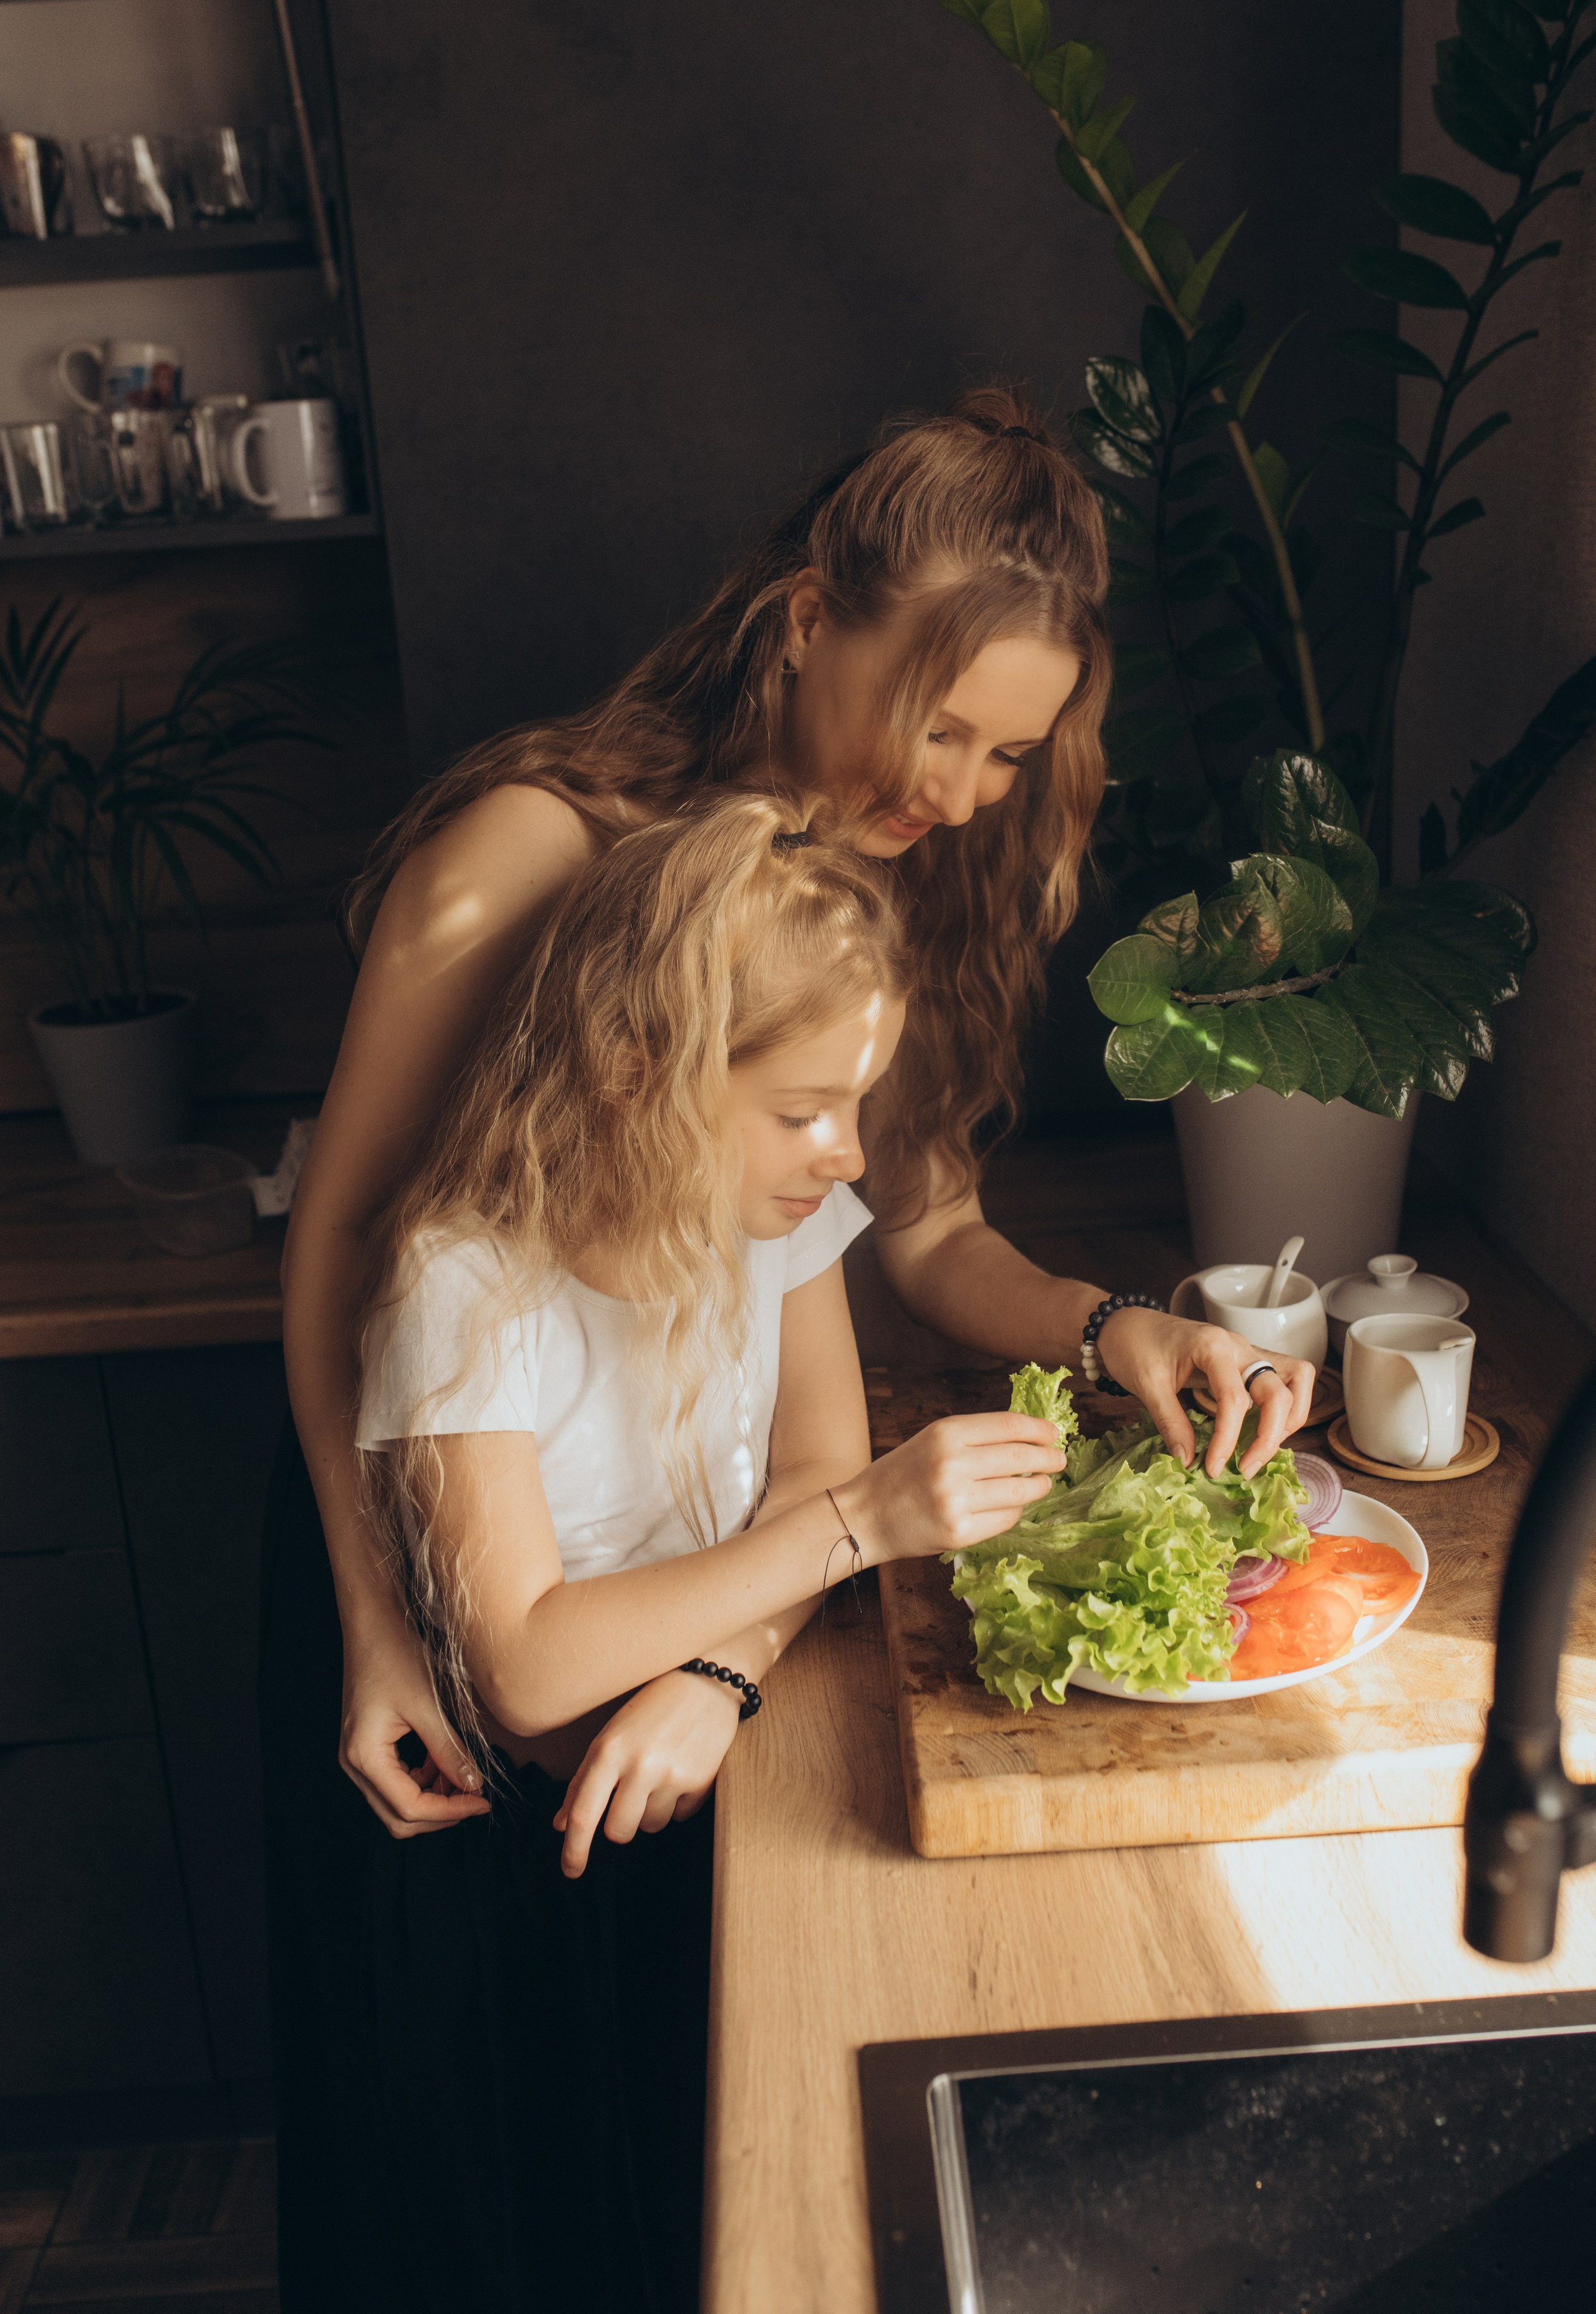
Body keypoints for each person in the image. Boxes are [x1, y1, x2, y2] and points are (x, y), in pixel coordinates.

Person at [259, 385, 1315, 2295]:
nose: (972, 789)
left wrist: (1111, 1329)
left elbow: (915, 1233)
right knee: (456, 2153)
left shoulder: (877, 887)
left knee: (651, 2152)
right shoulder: (533, 849)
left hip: (664, 1575)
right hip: (432, 1530)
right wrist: (372, 1618)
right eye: (946, 723)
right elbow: (346, 1245)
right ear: (810, 620)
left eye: (1013, 752)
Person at [276, 791, 1070, 2310]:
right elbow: (525, 1661)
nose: (845, 1157)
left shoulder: (765, 1220)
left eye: (858, 1103)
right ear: (639, 1071)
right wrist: (859, 1532)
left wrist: (720, 1669)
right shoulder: (461, 1281)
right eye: (801, 1111)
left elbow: (818, 1455)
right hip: (520, 1854)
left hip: (702, 1774)